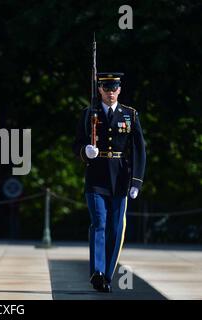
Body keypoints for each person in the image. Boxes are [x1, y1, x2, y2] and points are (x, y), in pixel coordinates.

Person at [73, 72, 146, 292]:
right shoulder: (89, 114)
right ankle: (97, 272)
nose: (111, 92)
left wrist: (136, 181)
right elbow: (76, 144)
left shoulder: (129, 115)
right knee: (99, 223)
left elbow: (139, 150)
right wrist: (86, 152)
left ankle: (107, 273)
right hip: (96, 177)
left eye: (114, 88)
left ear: (120, 90)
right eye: (107, 88)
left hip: (121, 177)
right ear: (100, 90)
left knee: (116, 228)